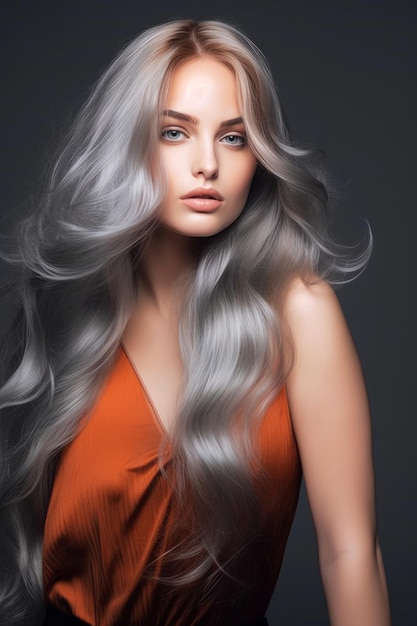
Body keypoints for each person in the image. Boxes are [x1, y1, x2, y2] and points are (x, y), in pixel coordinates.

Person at [0, 19, 390, 626]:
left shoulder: (298, 313)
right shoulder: (61, 310)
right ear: (129, 143)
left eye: (234, 139)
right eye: (175, 132)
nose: (207, 164)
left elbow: (350, 554)